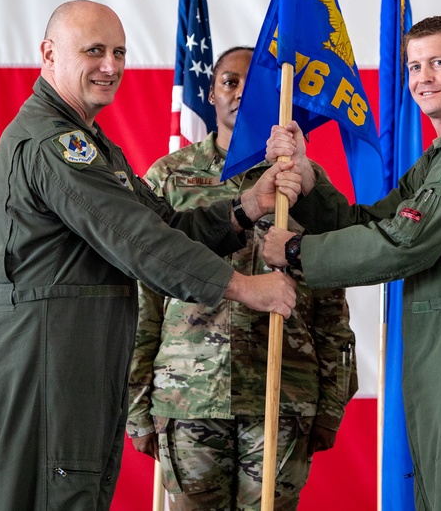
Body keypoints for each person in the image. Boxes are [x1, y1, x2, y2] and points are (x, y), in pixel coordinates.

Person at [0, 0, 299, 511]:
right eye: (93, 51)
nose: (111, 66)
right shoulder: (55, 145)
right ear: (49, 54)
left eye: (119, 52)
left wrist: (248, 206)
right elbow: (139, 242)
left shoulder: (92, 145)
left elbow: (165, 224)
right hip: (46, 360)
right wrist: (246, 289)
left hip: (73, 358)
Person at [263, 16, 441, 510]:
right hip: (440, 340)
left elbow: (408, 240)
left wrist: (299, 253)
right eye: (414, 66)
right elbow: (369, 219)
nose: (422, 77)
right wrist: (307, 180)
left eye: (438, 63)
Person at [126, 46, 358, 510]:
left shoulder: (303, 181)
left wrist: (332, 402)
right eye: (229, 82)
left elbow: (333, 297)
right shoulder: (169, 178)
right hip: (187, 393)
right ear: (211, 93)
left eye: (254, 85)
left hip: (282, 389)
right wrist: (136, 402)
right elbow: (143, 294)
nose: (240, 93)